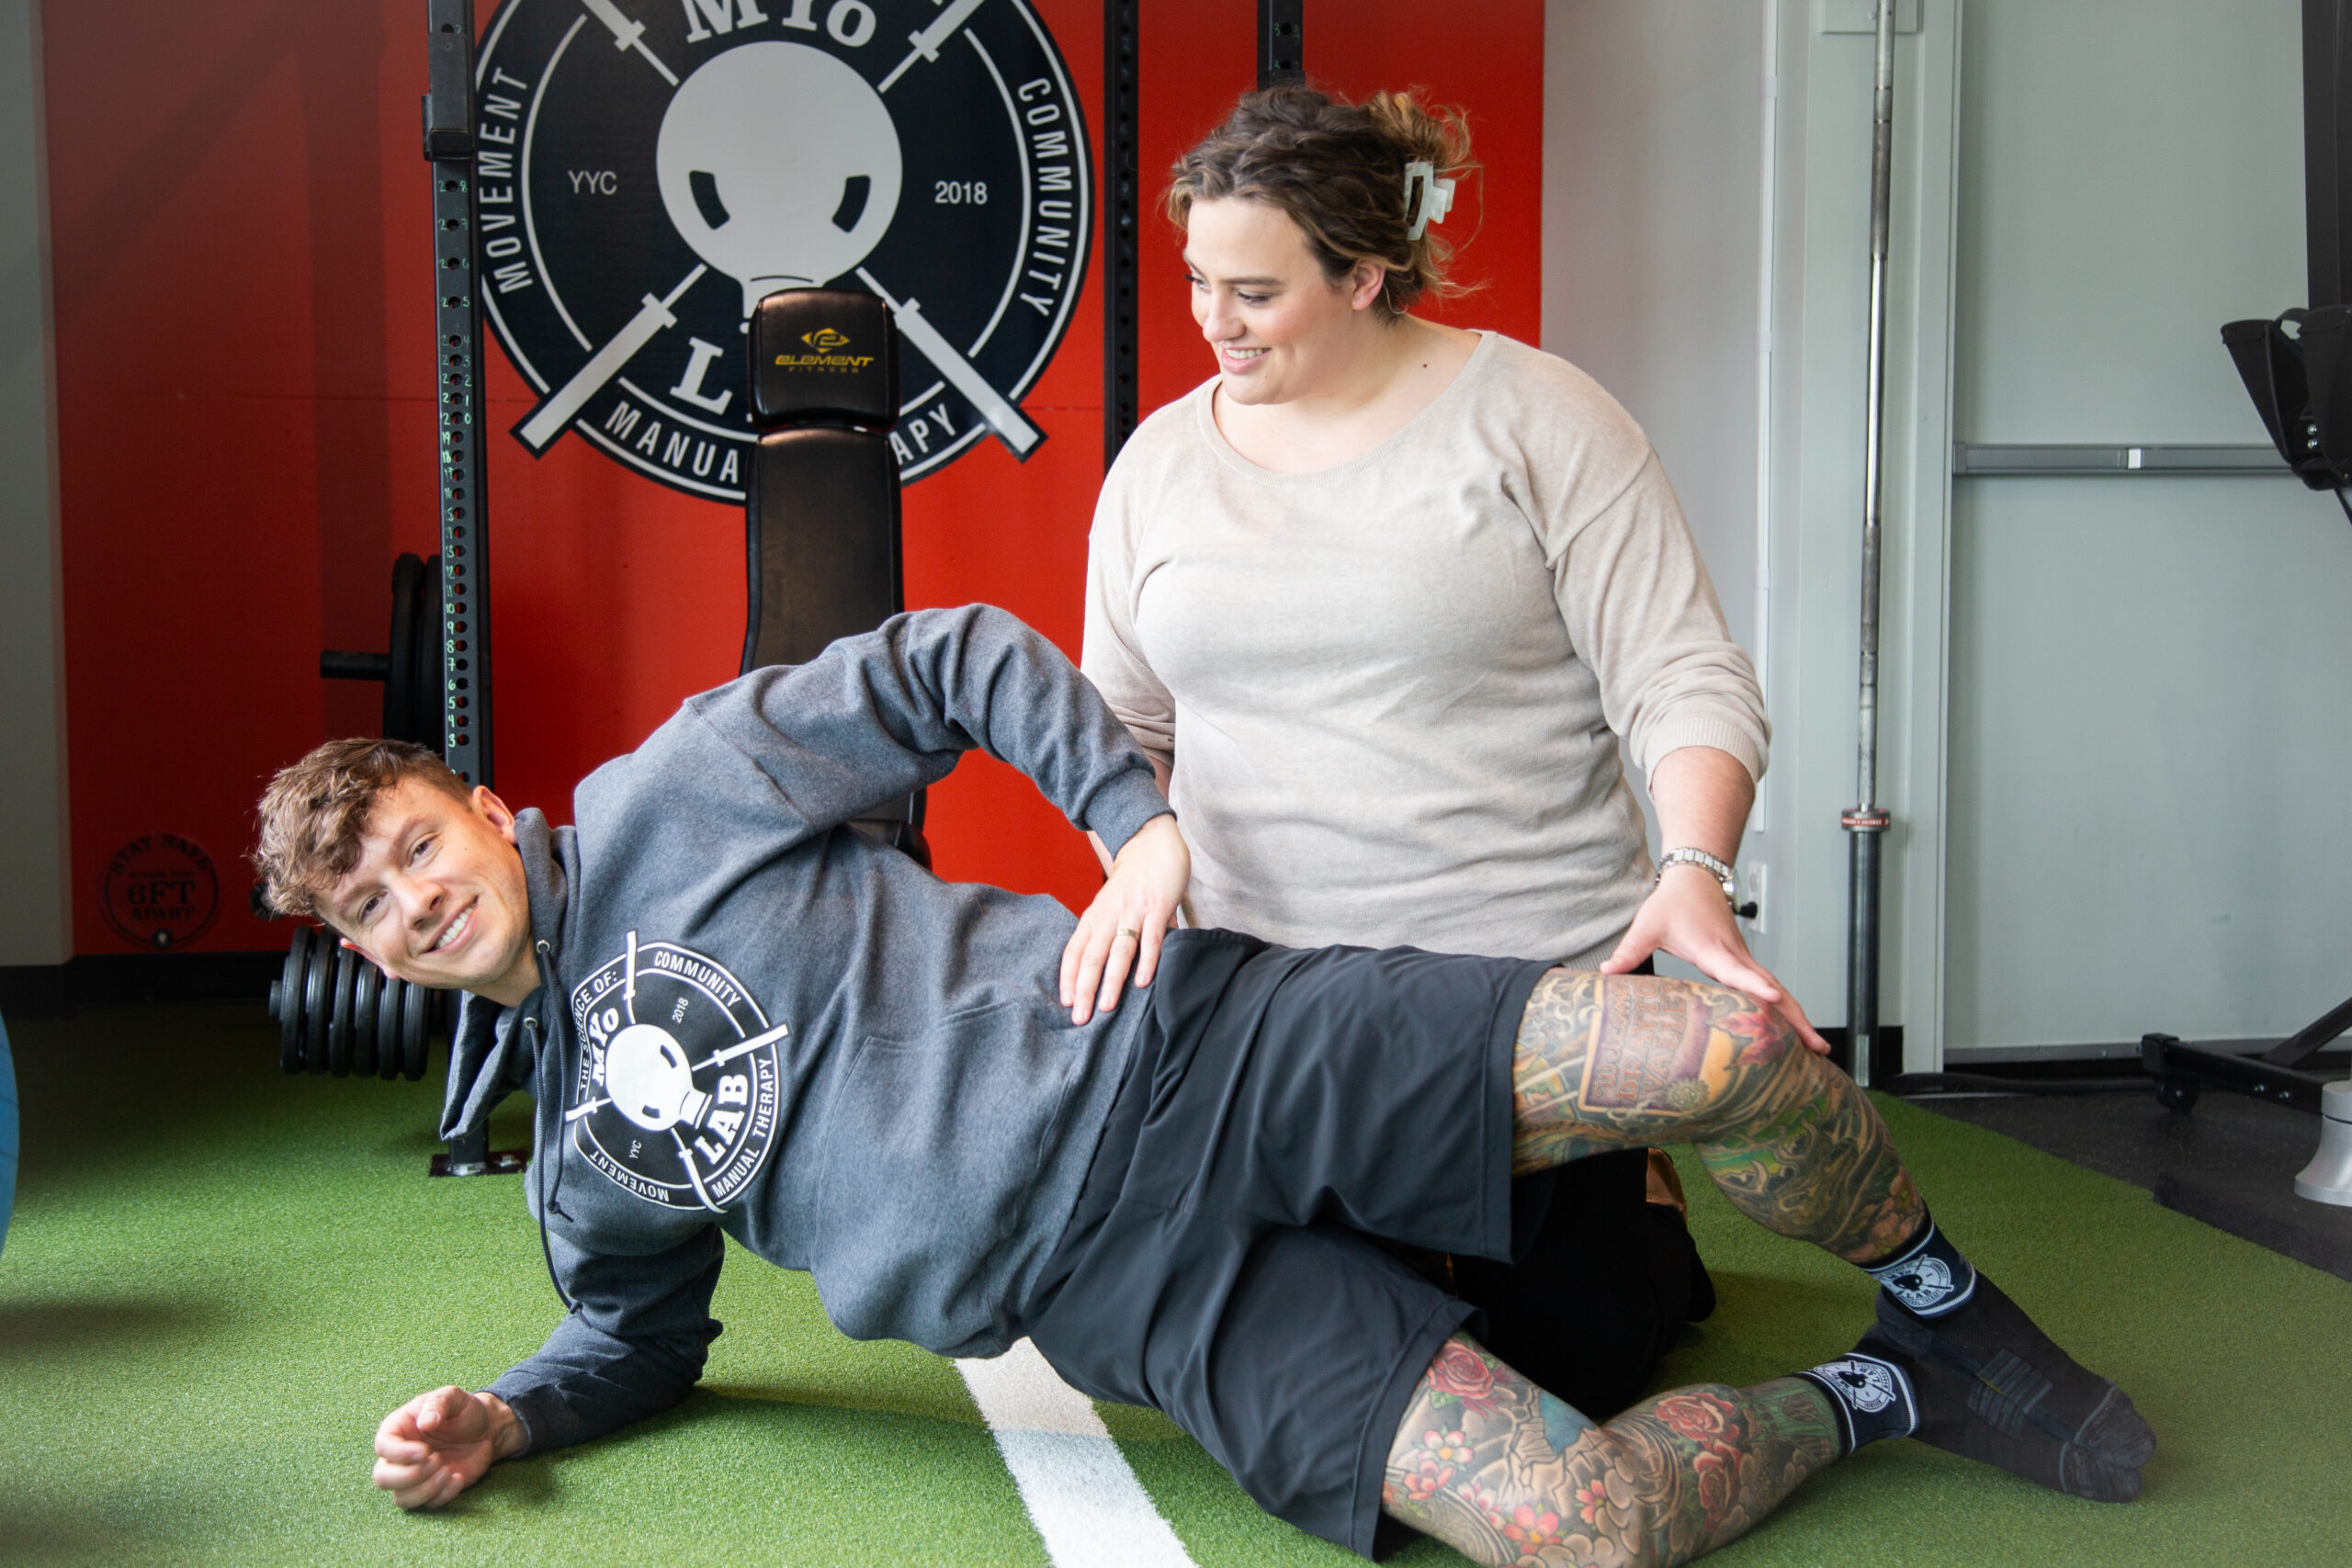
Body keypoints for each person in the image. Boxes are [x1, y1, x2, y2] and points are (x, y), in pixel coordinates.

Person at [253, 606, 2151, 1567]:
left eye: (416, 846)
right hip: (1129, 1300)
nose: (414, 899)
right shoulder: (576, 1152)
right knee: (1581, 1522)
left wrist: (1129, 830)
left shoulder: (679, 785)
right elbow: (636, 1337)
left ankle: (1945, 1292)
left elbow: (945, 659)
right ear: (358, 943)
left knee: (1712, 1048)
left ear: (481, 807)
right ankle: (1891, 1387)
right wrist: (505, 1415)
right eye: (370, 903)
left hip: (1197, 1049)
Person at [1082, 85, 1801, 1407]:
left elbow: (1683, 672)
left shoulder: (1540, 417)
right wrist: (1137, 842)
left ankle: (1623, 1191)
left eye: (1253, 293)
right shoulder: (1158, 467)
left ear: (1364, 273)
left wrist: (1695, 864)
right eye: (1197, 281)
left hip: (1517, 996)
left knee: (1564, 1362)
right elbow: (1120, 726)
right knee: (1251, 1356)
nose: (1210, 324)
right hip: (1273, 1010)